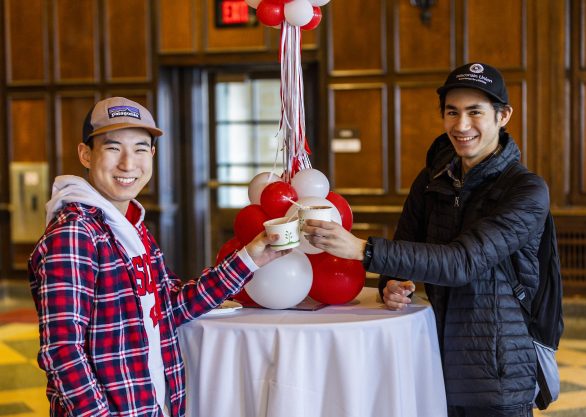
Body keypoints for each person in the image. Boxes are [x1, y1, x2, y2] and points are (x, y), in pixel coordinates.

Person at [304, 62, 548, 417]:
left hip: (497, 375)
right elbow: (405, 246)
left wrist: (362, 250)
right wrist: (392, 284)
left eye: (475, 112)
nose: (461, 125)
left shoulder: (526, 190)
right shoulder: (433, 179)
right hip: (430, 363)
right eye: (452, 112)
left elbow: (462, 262)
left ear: (503, 115)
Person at [28, 97, 288, 417]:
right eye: (112, 147)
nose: (128, 163)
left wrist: (250, 258)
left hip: (152, 405)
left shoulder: (133, 230)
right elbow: (63, 352)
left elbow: (169, 308)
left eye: (140, 148)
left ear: (152, 155)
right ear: (86, 154)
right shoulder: (74, 234)